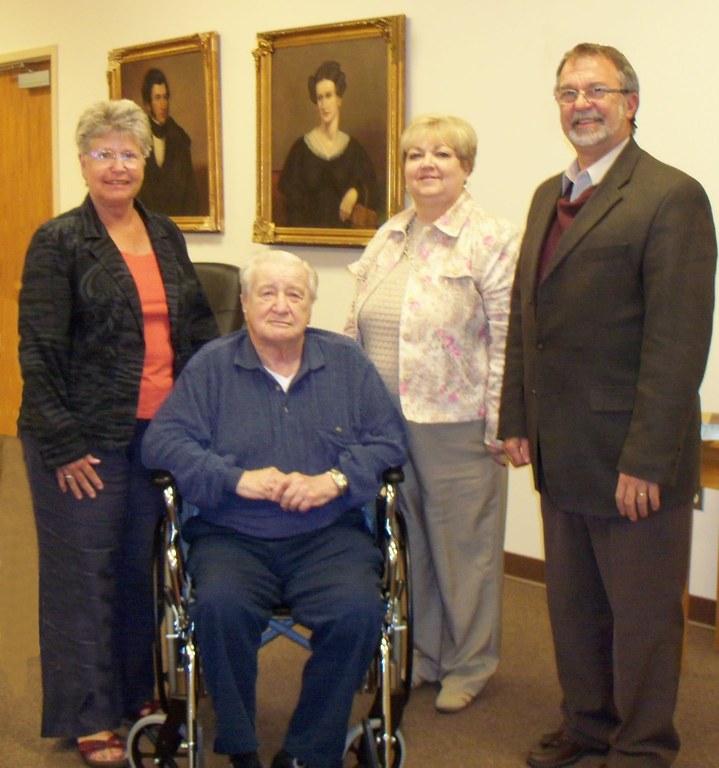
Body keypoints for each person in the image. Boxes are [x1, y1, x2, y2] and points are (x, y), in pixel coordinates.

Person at [498, 43, 717, 768]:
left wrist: (647, 459)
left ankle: (641, 746)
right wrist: (514, 419)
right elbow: (526, 316)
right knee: (574, 608)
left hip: (632, 457)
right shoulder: (544, 195)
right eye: (566, 91)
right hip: (561, 449)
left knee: (643, 618)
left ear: (629, 103)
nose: (579, 103)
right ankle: (587, 727)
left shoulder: (670, 195)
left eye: (596, 89)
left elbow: (676, 345)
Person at [141, 251, 407, 768]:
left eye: (294, 294)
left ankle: (309, 750)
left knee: (359, 612)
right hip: (232, 535)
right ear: (243, 303)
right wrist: (234, 478)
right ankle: (241, 746)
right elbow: (162, 442)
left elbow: (390, 440)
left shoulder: (347, 363)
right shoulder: (213, 366)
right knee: (218, 608)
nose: (281, 306)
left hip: (328, 536)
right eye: (267, 293)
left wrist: (335, 481)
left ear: (310, 305)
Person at [17, 99, 218, 768]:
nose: (117, 166)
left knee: (140, 573)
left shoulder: (164, 233)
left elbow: (193, 329)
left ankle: (136, 697)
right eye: (103, 153)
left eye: (129, 154)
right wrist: (64, 444)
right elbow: (38, 350)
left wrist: (210, 409)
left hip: (157, 438)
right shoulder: (59, 240)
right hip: (83, 440)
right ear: (82, 162)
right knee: (85, 575)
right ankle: (91, 714)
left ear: (145, 162)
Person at [345, 114, 521, 714]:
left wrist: (503, 423)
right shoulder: (390, 234)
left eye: (442, 154)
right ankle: (423, 653)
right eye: (415, 154)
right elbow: (355, 321)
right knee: (411, 541)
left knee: (464, 550)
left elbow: (506, 338)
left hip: (456, 422)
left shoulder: (491, 238)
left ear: (465, 166)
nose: (426, 164)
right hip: (388, 421)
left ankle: (470, 662)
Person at [278, 60, 379, 228]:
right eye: (319, 98)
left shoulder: (354, 150)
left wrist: (355, 193)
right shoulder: (300, 150)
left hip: (347, 244)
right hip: (307, 240)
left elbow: (373, 192)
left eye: (329, 96)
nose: (324, 105)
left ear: (339, 99)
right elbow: (289, 204)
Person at [138, 68, 200, 216]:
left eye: (165, 97)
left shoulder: (180, 139)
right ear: (148, 104)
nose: (163, 104)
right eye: (157, 98)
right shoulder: (136, 138)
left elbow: (190, 193)